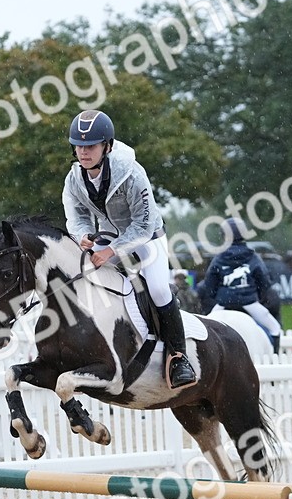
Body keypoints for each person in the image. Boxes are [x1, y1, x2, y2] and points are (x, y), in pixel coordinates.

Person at [62, 109, 196, 389]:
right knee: (81, 274)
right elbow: (76, 216)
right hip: (109, 237)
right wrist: (83, 235)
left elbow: (143, 225)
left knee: (158, 289)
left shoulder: (132, 174)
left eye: (90, 146)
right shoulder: (75, 178)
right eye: (78, 146)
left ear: (107, 146)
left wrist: (111, 251)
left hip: (148, 240)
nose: (83, 152)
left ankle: (179, 357)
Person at [200, 218, 283, 351]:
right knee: (274, 328)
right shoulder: (252, 256)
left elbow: (209, 283)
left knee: (204, 329)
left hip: (223, 303)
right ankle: (275, 356)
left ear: (224, 235)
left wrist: (220, 297)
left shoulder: (219, 257)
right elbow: (264, 281)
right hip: (249, 302)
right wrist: (258, 297)